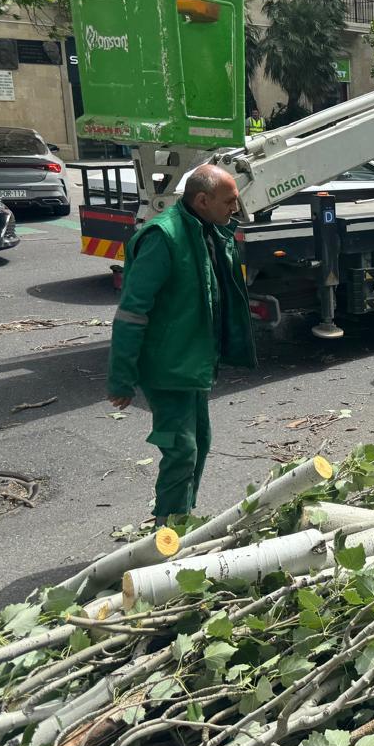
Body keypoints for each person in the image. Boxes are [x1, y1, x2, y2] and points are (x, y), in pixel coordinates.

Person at [106, 164, 257, 524]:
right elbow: (131, 312)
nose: (235, 208)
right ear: (202, 200)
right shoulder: (164, 236)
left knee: (199, 442)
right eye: (229, 201)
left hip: (192, 362)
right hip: (167, 366)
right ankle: (167, 532)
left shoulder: (204, 229)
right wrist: (121, 377)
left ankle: (182, 520)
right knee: (181, 449)